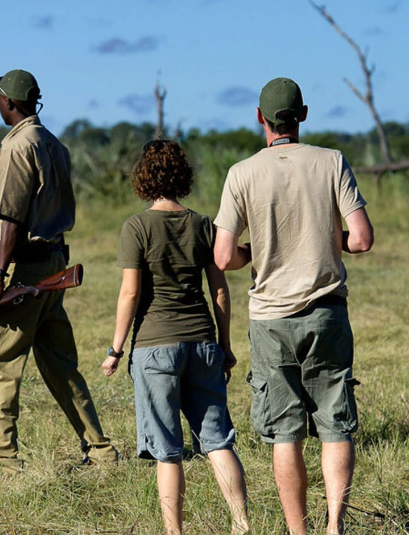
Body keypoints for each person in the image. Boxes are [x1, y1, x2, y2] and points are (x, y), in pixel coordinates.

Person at [213, 77, 374, 535]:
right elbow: (361, 239)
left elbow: (224, 257)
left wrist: (257, 251)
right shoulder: (332, 162)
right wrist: (328, 240)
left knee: (285, 433)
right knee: (335, 424)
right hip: (326, 311)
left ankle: (297, 531)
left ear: (260, 118)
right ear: (303, 115)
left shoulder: (241, 173)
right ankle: (335, 528)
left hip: (270, 318)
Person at [0, 69, 119, 483]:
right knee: (61, 365)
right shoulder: (53, 143)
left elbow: (11, 219)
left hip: (23, 267)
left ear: (10, 103)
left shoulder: (18, 146)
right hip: (54, 264)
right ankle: (101, 451)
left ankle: (3, 466)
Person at [102, 140, 250, 535]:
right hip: (202, 343)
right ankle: (242, 524)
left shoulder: (136, 227)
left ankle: (174, 532)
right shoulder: (204, 225)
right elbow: (219, 290)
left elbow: (130, 293)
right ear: (183, 177)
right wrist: (225, 345)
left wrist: (115, 350)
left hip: (154, 348)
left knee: (168, 452)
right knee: (218, 441)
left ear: (143, 178)